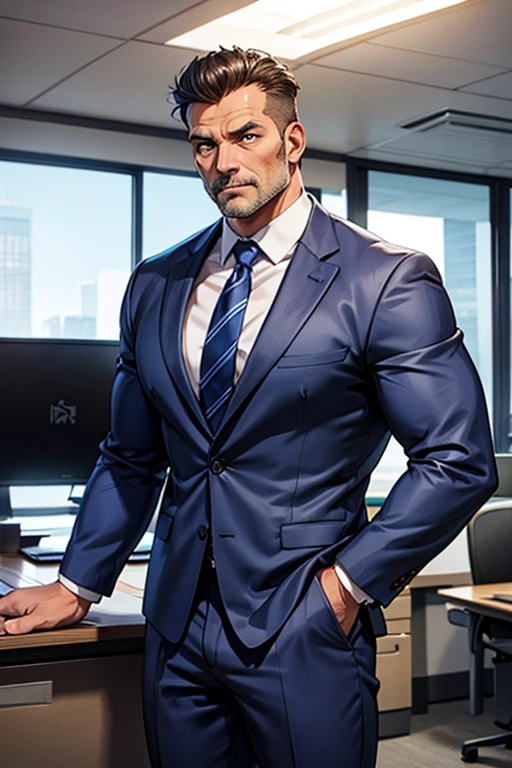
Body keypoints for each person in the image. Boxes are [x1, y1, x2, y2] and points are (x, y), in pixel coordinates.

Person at [0, 47, 497, 768]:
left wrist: (345, 587)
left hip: (305, 622)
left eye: (246, 135)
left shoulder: (384, 278)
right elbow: (132, 456)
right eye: (205, 143)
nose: (223, 159)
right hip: (175, 627)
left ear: (292, 142)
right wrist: (79, 582)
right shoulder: (157, 283)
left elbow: (458, 460)